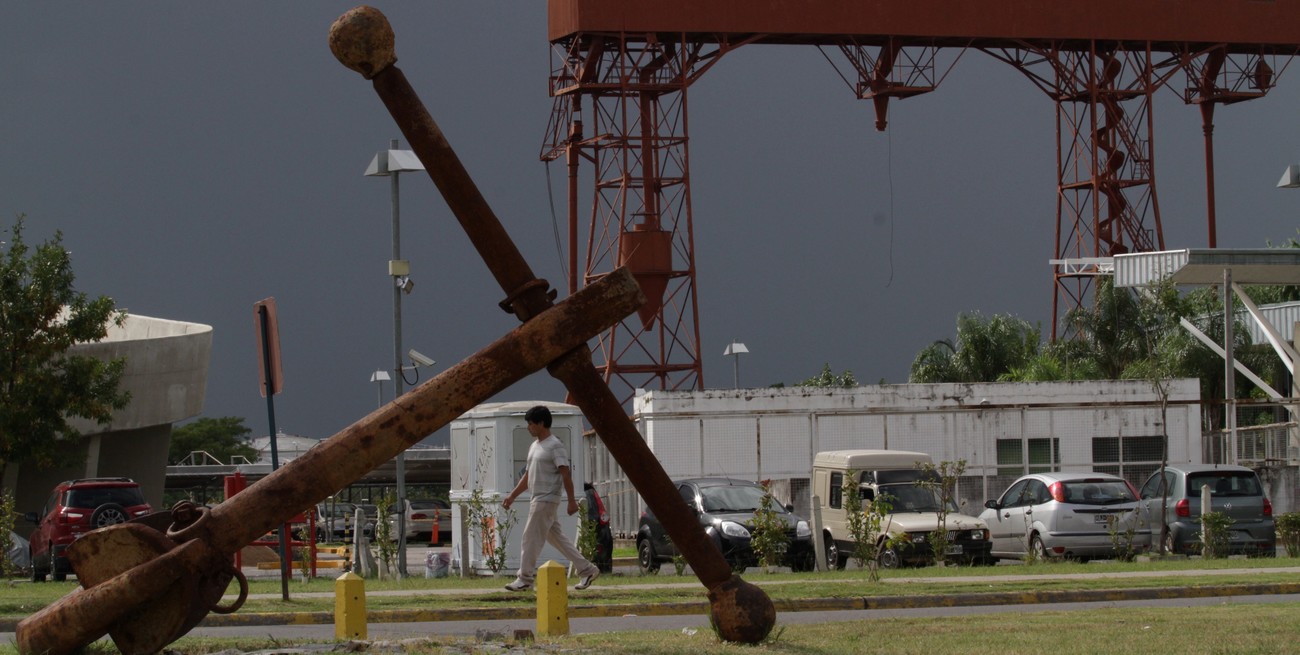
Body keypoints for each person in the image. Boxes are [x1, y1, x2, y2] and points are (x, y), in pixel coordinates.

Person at [501, 405, 600, 591]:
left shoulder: (555, 445)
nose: (528, 427)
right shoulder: (535, 446)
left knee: (529, 538)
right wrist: (512, 495)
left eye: (531, 424)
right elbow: (528, 475)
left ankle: (524, 579)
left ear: (541, 423)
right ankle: (587, 569)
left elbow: (565, 474)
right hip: (537, 498)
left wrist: (571, 501)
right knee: (557, 539)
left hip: (546, 500)